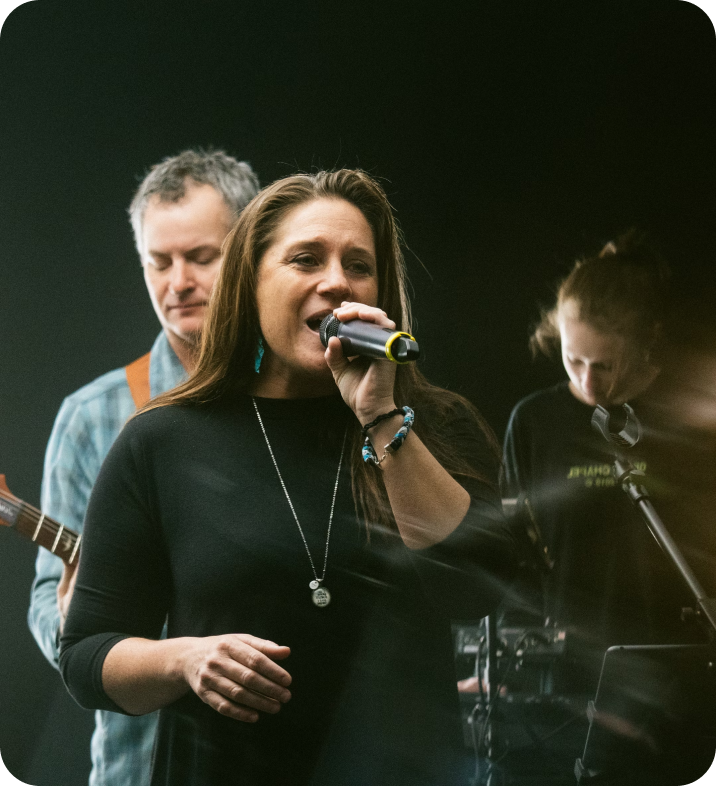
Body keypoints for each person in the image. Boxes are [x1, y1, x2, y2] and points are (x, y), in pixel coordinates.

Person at [58, 169, 516, 786]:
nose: (336, 281)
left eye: (359, 264)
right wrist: (184, 659)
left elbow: (476, 592)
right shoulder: (162, 440)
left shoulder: (434, 423)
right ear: (248, 282)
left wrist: (380, 416)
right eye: (306, 259)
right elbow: (87, 657)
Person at [28, 148, 259, 786]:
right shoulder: (90, 417)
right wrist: (70, 623)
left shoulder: (301, 397)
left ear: (249, 250)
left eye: (201, 257)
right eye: (159, 262)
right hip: (141, 763)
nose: (177, 282)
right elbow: (47, 597)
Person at [501, 233, 715, 782]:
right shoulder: (533, 422)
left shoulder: (687, 416)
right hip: (575, 685)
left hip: (680, 678)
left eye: (606, 365)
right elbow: (516, 556)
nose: (589, 383)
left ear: (647, 345)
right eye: (574, 361)